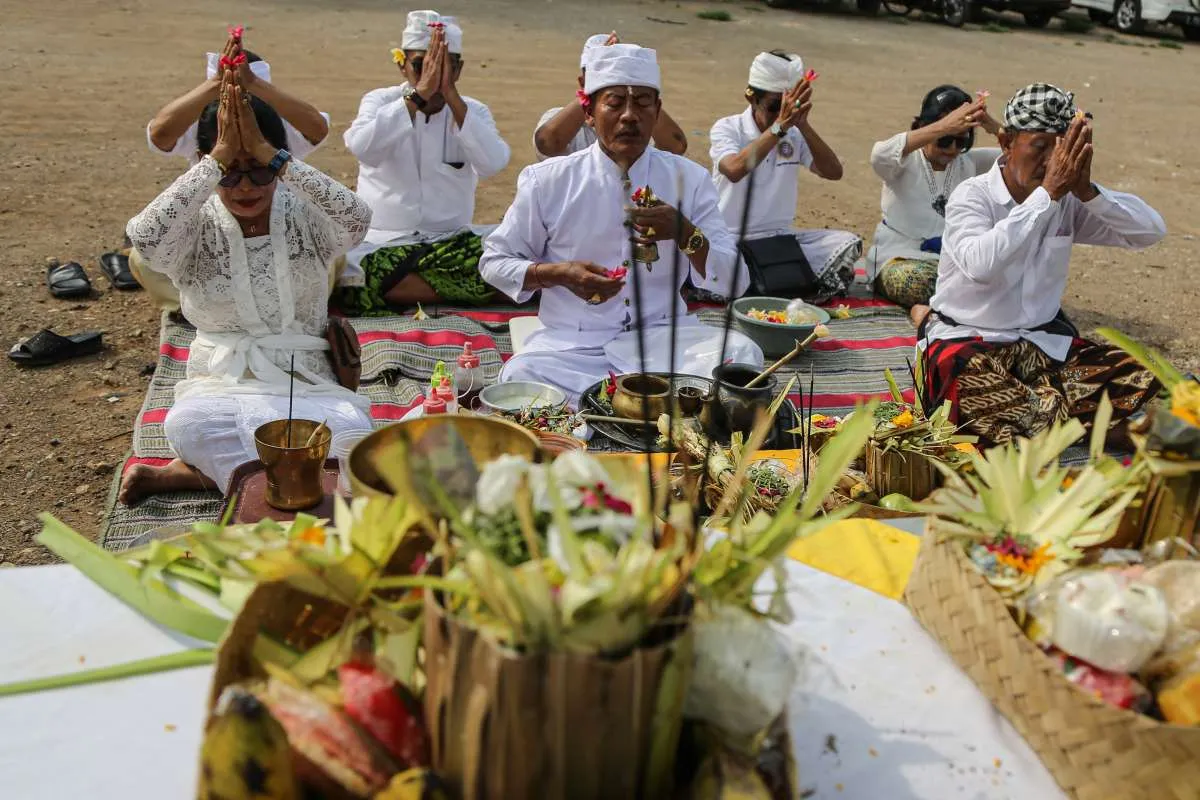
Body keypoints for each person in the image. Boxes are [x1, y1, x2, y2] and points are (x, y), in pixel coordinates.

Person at [121, 71, 375, 504]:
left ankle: (203, 477)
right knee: (188, 425)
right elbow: (143, 237)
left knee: (353, 435)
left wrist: (271, 156)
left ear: (278, 163)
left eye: (259, 171)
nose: (244, 187)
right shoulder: (194, 220)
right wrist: (218, 160)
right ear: (205, 164)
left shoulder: (305, 211)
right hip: (221, 384)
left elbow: (357, 218)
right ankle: (284, 481)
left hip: (306, 382)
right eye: (229, 173)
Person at [480, 44, 762, 406]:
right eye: (614, 103)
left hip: (666, 341)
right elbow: (494, 262)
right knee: (520, 376)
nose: (629, 116)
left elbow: (736, 281)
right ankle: (655, 409)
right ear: (589, 113)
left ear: (657, 112)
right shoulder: (547, 180)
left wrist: (685, 233)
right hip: (574, 348)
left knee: (742, 355)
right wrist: (560, 274)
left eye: (643, 103)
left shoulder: (688, 180)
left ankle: (604, 411)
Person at [921, 83, 1166, 446]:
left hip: (1039, 350)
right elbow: (980, 265)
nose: (1052, 161)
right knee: (959, 375)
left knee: (1143, 370)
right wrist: (1046, 197)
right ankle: (1082, 427)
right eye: (1039, 148)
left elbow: (1149, 233)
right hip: (970, 344)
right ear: (1006, 143)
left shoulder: (1069, 198)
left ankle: (1032, 425)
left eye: (1061, 149)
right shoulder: (973, 196)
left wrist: (1087, 192)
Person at [132, 28, 332, 312]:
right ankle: (203, 310)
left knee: (330, 256)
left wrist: (252, 85)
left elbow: (318, 128)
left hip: (276, 233)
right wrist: (217, 84)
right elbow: (159, 134)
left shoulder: (277, 125)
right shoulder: (207, 121)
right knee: (143, 260)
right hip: (212, 238)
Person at [340, 10, 510, 314]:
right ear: (402, 65)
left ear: (458, 71)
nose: (432, 75)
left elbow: (493, 163)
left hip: (453, 244)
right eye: (421, 65)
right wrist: (418, 98)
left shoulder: (472, 111)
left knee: (511, 260)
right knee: (357, 278)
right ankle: (458, 291)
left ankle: (429, 289)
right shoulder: (380, 101)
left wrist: (452, 98)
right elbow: (363, 147)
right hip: (384, 244)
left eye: (445, 66)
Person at [708, 51, 861, 302]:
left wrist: (803, 125)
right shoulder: (727, 127)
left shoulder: (794, 133)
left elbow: (834, 172)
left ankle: (765, 283)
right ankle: (772, 284)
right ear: (752, 98)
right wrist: (779, 127)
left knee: (846, 243)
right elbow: (734, 169)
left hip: (778, 243)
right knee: (708, 263)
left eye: (788, 107)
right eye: (774, 107)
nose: (782, 115)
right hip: (730, 240)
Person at [868, 86, 1001, 323]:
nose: (952, 149)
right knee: (922, 281)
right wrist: (944, 126)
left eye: (962, 141)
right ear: (922, 127)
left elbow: (1026, 155)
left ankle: (931, 312)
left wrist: (991, 125)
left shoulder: (969, 163)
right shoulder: (902, 161)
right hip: (900, 260)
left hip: (951, 265)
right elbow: (878, 154)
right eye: (945, 140)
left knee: (999, 275)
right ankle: (945, 311)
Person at [532, 32, 688, 160]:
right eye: (596, 74)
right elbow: (547, 144)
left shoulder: (639, 121)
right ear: (583, 81)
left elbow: (675, 147)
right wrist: (591, 94)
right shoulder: (556, 117)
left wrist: (642, 97)